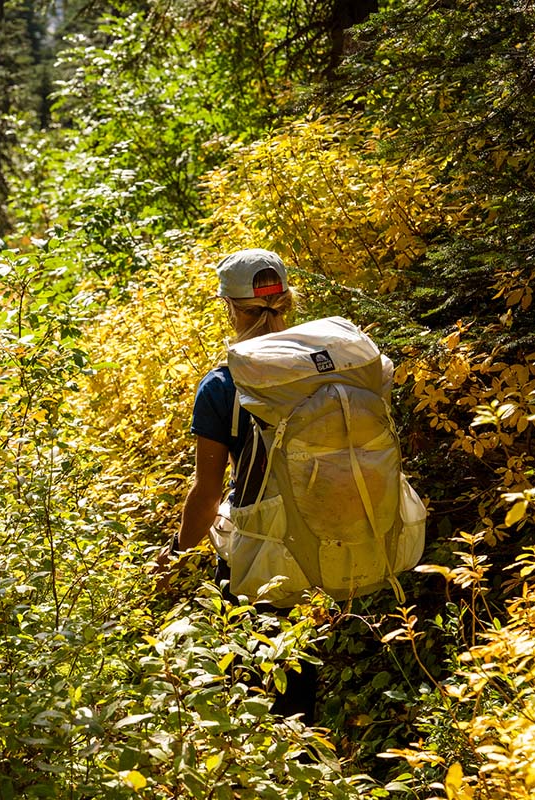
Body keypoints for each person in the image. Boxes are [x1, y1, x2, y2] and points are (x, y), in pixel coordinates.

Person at [159, 247, 318, 722]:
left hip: (256, 548)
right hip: (323, 541)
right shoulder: (323, 364)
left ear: (229, 306)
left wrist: (178, 552)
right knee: (300, 676)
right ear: (287, 301)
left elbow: (208, 492)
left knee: (249, 681)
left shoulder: (223, 385)